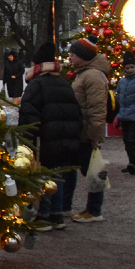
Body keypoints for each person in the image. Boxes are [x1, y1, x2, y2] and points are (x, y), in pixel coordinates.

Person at [18, 42, 83, 229]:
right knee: (57, 174)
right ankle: (57, 214)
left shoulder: (36, 85)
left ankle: (44, 214)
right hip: (65, 138)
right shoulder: (64, 83)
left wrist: (27, 141)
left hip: (45, 139)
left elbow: (29, 116)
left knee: (43, 176)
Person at [61, 36, 107, 223]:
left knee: (93, 171)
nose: (70, 57)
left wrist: (95, 137)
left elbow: (97, 110)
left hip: (86, 133)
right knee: (70, 168)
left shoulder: (93, 76)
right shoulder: (85, 73)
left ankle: (94, 210)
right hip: (79, 131)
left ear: (83, 56)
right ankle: (66, 205)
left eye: (73, 54)